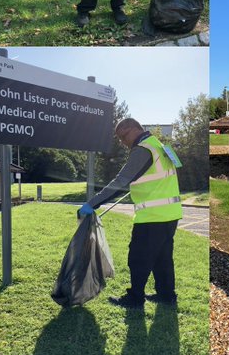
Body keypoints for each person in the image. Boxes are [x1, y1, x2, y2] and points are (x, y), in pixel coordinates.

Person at [78, 118, 182, 308]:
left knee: (138, 258)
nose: (122, 142)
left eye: (122, 136)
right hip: (170, 214)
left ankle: (135, 298)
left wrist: (92, 204)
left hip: (152, 217)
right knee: (163, 258)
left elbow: (121, 180)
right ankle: (167, 295)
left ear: (133, 129)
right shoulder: (158, 145)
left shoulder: (143, 149)